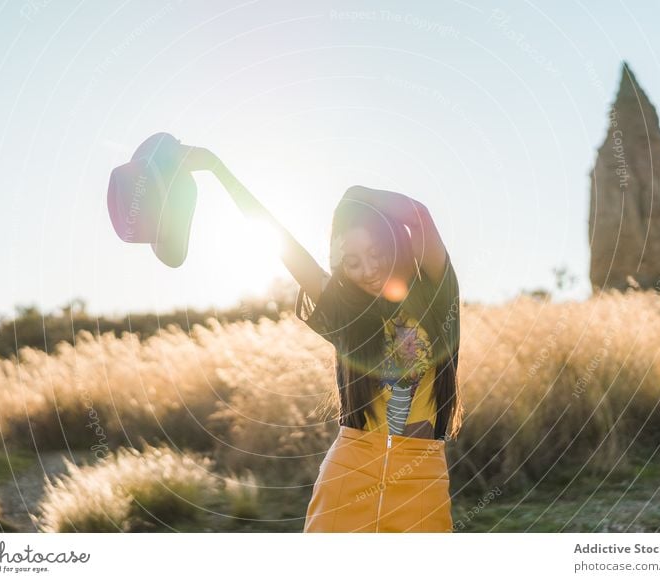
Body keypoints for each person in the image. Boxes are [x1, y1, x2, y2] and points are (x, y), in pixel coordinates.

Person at [180, 146, 463, 532]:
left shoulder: (436, 296)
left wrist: (355, 198)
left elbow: (419, 216)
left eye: (375, 252)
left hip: (422, 476)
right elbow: (282, 245)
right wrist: (219, 170)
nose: (368, 269)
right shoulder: (347, 316)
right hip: (350, 472)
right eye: (352, 261)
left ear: (394, 243)